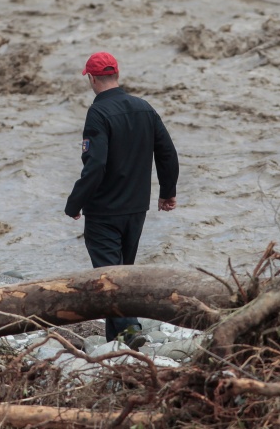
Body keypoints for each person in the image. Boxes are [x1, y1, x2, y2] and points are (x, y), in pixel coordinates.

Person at [65, 51, 179, 346]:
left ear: (91, 78)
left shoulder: (98, 113)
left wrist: (76, 202)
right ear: (116, 75)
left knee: (109, 278)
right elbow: (167, 152)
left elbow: (96, 164)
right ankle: (116, 343)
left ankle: (131, 329)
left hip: (104, 210)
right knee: (122, 274)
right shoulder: (144, 108)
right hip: (136, 209)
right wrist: (167, 192)